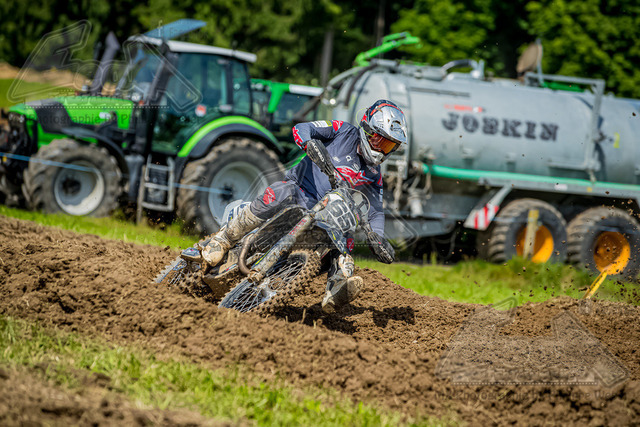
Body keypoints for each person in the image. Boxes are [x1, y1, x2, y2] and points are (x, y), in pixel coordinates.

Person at [202, 99, 407, 312]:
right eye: (381, 142)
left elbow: (375, 210)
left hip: (327, 215)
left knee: (346, 240)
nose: (383, 150)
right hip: (299, 192)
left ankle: (337, 287)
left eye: (390, 146)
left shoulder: (374, 174)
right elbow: (302, 128)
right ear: (367, 130)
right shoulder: (342, 131)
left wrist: (378, 237)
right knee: (280, 192)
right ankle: (223, 239)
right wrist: (310, 144)